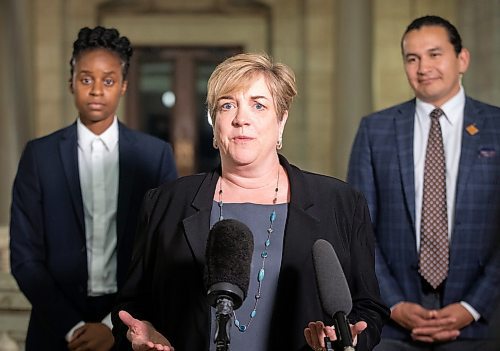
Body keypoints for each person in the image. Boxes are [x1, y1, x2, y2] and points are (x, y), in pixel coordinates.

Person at [111, 52, 389, 351]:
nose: (241, 118)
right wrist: (144, 333)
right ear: (214, 124)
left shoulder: (340, 203)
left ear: (281, 121)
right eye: (227, 105)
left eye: (258, 105)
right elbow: (131, 307)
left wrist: (349, 337)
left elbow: (368, 308)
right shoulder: (164, 203)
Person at [9, 26, 177, 351]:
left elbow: (162, 252)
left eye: (108, 80)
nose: (97, 90)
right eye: (86, 79)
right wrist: (72, 328)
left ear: (124, 85)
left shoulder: (154, 156)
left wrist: (111, 326)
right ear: (71, 82)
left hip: (129, 327)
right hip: (54, 329)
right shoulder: (38, 156)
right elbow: (24, 257)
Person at [347, 15, 500, 351]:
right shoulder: (375, 131)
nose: (423, 67)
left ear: (462, 60)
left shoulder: (496, 127)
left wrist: (472, 307)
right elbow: (359, 230)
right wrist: (393, 303)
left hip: (483, 326)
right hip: (392, 328)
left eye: (434, 54)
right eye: (412, 58)